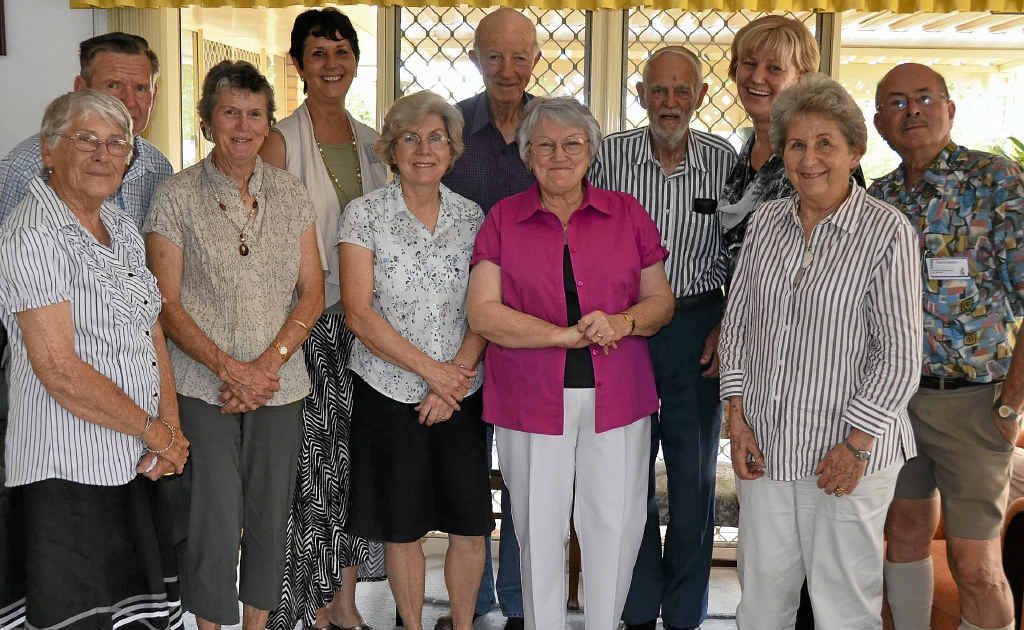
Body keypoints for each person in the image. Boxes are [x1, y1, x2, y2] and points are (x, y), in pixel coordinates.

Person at [719, 73, 921, 630]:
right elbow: (737, 326)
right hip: (767, 447)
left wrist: (855, 445)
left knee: (842, 607)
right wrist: (737, 417)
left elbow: (900, 357)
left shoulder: (886, 232)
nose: (809, 159)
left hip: (848, 451)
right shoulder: (767, 222)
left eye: (825, 143)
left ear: (854, 152)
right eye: (796, 145)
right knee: (761, 603)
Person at [467, 96, 676, 630]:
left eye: (572, 144)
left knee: (615, 524)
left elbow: (660, 303)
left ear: (591, 152)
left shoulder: (626, 212)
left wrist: (623, 322)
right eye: (545, 145)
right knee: (537, 529)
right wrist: (561, 336)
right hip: (529, 397)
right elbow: (484, 313)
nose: (559, 155)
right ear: (527, 155)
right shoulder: (503, 218)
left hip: (619, 395)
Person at [144, 60, 324, 630]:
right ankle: (210, 625)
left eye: (255, 114)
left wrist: (265, 367)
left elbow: (313, 293)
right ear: (207, 121)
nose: (243, 127)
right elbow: (166, 303)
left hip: (279, 386)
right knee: (213, 516)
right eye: (230, 113)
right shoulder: (176, 196)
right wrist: (230, 369)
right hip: (203, 386)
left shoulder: (290, 193)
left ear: (269, 123)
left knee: (271, 514)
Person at [0, 90, 189, 629]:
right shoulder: (32, 235)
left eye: (117, 143)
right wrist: (156, 432)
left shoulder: (120, 226)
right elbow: (58, 370)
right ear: (48, 150)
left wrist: (170, 427)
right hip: (68, 471)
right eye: (86, 140)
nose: (103, 155)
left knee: (137, 617)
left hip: (134, 461)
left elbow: (151, 328)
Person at [870, 62, 1024, 630]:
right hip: (897, 403)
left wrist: (1010, 406)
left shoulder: (996, 181)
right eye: (896, 102)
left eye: (924, 97)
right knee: (904, 531)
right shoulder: (880, 198)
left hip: (974, 403)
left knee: (977, 564)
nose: (912, 110)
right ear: (880, 124)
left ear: (950, 109)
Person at [589, 46, 736, 630]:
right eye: (658, 90)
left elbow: (739, 252)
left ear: (700, 95)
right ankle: (636, 605)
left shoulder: (723, 160)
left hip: (697, 327)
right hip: (625, 329)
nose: (669, 102)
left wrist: (726, 324)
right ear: (641, 95)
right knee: (627, 471)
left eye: (681, 90)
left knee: (693, 473)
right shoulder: (609, 157)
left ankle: (683, 612)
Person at [340, 90, 492, 630]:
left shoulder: (473, 217)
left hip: (461, 394)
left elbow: (484, 311)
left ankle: (464, 624)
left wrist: (452, 383)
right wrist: (433, 375)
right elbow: (359, 313)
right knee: (402, 526)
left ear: (452, 150)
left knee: (469, 525)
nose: (423, 150)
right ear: (391, 148)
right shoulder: (363, 215)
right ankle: (411, 624)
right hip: (386, 392)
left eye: (435, 139)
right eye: (410, 138)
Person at [260, 8, 389, 630]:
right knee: (313, 471)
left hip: (367, 330)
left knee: (356, 466)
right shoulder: (279, 141)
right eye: (318, 53)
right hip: (307, 328)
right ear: (298, 64)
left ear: (355, 62)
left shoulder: (376, 143)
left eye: (341, 52)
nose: (331, 64)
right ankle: (310, 605)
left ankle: (346, 601)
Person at [440, 9, 540, 628]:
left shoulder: (553, 127)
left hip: (535, 332)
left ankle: (525, 602)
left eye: (519, 56)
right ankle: (470, 603)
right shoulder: (450, 128)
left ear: (536, 60)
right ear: (475, 58)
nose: (507, 69)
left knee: (530, 478)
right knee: (466, 474)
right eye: (494, 56)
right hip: (457, 329)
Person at [0, 32, 172, 227]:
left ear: (154, 96)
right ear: (81, 89)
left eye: (140, 88)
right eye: (114, 85)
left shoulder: (159, 168)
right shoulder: (25, 169)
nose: (129, 102)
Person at [717, 15, 821, 264]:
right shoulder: (747, 148)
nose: (756, 77)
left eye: (774, 68)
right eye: (749, 63)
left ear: (801, 79)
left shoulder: (819, 153)